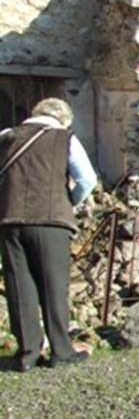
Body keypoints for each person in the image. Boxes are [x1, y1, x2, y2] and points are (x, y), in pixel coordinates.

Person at [0, 98, 97, 371]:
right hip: (50, 221)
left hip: (9, 220)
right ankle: (61, 351)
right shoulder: (65, 138)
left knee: (19, 287)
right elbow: (87, 179)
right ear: (63, 119)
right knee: (53, 287)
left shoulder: (6, 136)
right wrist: (70, 202)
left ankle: (28, 354)